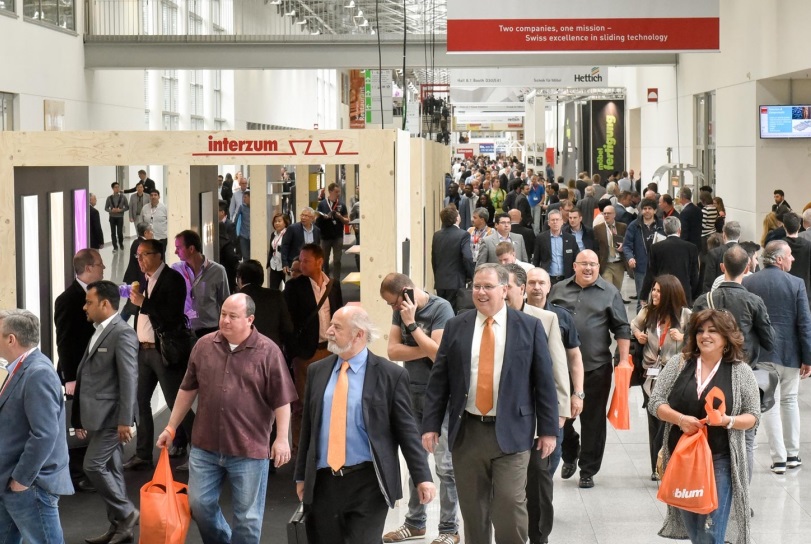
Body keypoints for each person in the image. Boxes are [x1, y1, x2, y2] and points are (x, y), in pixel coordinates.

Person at [422, 263, 559, 544]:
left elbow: (545, 382)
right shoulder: (456, 326)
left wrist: (548, 430)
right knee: (473, 509)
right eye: (476, 286)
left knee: (509, 504)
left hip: (513, 430)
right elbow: (439, 381)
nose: (481, 292)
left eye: (488, 287)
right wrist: (430, 425)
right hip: (468, 432)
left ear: (505, 290)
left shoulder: (528, 327)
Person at [156, 294, 297, 544]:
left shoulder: (268, 351)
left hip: (249, 449)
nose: (226, 320)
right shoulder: (204, 346)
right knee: (199, 505)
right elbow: (187, 389)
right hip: (205, 446)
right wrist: (171, 427)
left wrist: (282, 439)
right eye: (223, 314)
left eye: (233, 316)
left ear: (250, 319)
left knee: (248, 519)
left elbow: (282, 400)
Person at [295, 306, 436, 543]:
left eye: (337, 327)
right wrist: (301, 476)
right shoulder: (317, 371)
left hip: (368, 482)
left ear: (359, 334)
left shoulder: (390, 375)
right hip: (323, 482)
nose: (329, 331)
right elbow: (308, 428)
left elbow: (407, 432)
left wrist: (423, 477)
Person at [649, 309, 760, 544]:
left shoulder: (741, 371)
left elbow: (753, 415)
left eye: (712, 331)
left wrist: (727, 420)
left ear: (727, 337)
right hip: (684, 458)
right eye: (700, 330)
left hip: (721, 458)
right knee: (695, 531)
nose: (705, 336)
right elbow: (655, 402)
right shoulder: (679, 364)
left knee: (710, 531)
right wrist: (680, 419)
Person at [379, 274, 459, 544]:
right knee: (416, 460)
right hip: (411, 392)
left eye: (393, 302)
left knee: (445, 465)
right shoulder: (399, 310)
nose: (393, 308)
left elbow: (438, 355)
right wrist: (426, 347)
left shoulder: (441, 308)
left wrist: (412, 326)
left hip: (440, 395)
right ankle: (415, 523)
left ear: (406, 291)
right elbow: (392, 351)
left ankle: (449, 528)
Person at [549, 249, 631, 489]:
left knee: (593, 421)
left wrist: (623, 360)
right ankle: (570, 452)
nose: (588, 268)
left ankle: (588, 469)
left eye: (593, 264)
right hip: (561, 368)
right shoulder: (558, 289)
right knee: (561, 416)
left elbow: (622, 328)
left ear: (598, 267)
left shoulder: (610, 292)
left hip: (596, 367)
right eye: (583, 264)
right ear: (574, 266)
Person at [503, 264, 571, 544]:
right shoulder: (485, 321)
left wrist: (559, 415)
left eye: (506, 286)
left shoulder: (545, 319)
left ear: (520, 289)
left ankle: (539, 536)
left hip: (534, 418)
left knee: (539, 479)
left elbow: (558, 370)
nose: (501, 292)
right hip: (500, 419)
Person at [73, 280, 139, 544]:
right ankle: (120, 530)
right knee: (112, 470)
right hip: (100, 415)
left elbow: (129, 379)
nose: (84, 307)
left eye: (89, 302)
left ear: (104, 304)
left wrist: (125, 420)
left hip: (113, 417)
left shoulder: (122, 333)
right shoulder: (99, 330)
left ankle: (126, 513)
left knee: (93, 465)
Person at [0, 309, 74, 543]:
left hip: (30, 485)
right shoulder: (24, 367)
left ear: (11, 339)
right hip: (12, 481)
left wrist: (22, 480)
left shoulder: (37, 372)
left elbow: (44, 434)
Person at [123, 238, 195, 471]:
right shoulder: (144, 280)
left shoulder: (173, 279)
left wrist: (144, 302)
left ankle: (200, 453)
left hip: (164, 350)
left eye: (144, 254)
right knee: (140, 401)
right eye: (137, 256)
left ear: (158, 255)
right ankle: (143, 453)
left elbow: (172, 315)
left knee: (177, 402)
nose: (140, 260)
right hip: (142, 350)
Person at [743, 240, 811, 473]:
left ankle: (779, 458)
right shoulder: (796, 283)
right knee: (790, 401)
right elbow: (804, 323)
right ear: (779, 259)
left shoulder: (749, 282)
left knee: (770, 404)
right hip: (790, 353)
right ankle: (793, 454)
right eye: (790, 255)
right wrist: (808, 357)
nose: (793, 258)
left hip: (762, 353)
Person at [284, 243, 344, 455]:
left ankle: (326, 445)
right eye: (300, 260)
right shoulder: (294, 287)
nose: (302, 264)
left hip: (330, 350)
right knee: (301, 402)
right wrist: (294, 351)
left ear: (320, 262)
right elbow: (288, 322)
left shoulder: (333, 285)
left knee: (329, 398)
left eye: (306, 261)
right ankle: (300, 448)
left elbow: (339, 315)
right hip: (304, 354)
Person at [54, 248, 105, 492]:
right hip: (77, 373)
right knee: (77, 423)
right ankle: (76, 474)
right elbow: (64, 342)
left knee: (91, 419)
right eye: (100, 265)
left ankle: (91, 469)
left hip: (95, 371)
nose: (103, 268)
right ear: (88, 268)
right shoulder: (68, 299)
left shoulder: (98, 294)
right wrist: (70, 379)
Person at [630, 274, 691, 480]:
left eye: (659, 291)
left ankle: (667, 461)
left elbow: (697, 339)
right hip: (650, 373)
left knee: (668, 420)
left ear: (670, 294)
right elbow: (634, 324)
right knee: (653, 419)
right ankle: (656, 468)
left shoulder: (685, 315)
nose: (654, 294)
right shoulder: (648, 312)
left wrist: (683, 337)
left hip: (674, 374)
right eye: (654, 290)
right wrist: (638, 335)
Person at [173, 229, 231, 338]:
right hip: (184, 331)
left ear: (191, 249)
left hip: (210, 331)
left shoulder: (218, 271)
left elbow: (225, 302)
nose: (175, 252)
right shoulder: (176, 270)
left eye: (178, 248)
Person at [641, 217, 701, 306]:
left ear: (665, 230)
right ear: (679, 229)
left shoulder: (655, 248)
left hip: (662, 291)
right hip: (683, 292)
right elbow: (694, 275)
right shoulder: (691, 248)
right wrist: (694, 295)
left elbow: (650, 273)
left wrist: (644, 295)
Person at [236, 259, 292, 349]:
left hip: (242, 352)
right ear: (261, 278)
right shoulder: (276, 296)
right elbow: (288, 328)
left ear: (240, 279)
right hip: (272, 350)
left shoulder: (233, 300)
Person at [623, 198, 665, 309]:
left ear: (655, 210)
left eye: (649, 208)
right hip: (641, 267)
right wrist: (630, 258)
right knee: (642, 299)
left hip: (659, 267)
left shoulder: (662, 225)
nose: (647, 211)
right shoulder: (634, 225)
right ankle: (641, 319)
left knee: (660, 298)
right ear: (641, 210)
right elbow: (627, 245)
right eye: (644, 208)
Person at [431, 206, 474, 312]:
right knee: (453, 312)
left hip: (440, 281)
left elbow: (434, 259)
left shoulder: (437, 235)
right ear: (457, 218)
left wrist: (437, 276)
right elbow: (467, 257)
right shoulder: (463, 234)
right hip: (456, 281)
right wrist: (471, 274)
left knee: (442, 310)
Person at [532, 209, 577, 283]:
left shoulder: (570, 238)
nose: (555, 222)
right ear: (548, 223)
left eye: (557, 219)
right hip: (548, 279)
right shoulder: (541, 238)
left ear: (562, 222)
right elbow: (536, 260)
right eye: (552, 220)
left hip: (566, 279)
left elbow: (575, 258)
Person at [316, 182, 349, 280]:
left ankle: (336, 281)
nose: (338, 194)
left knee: (337, 260)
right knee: (324, 260)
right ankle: (326, 279)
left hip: (338, 236)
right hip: (325, 236)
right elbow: (317, 219)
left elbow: (347, 221)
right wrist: (324, 217)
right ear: (330, 191)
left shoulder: (341, 205)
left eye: (339, 192)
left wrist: (340, 217)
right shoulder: (322, 204)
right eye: (336, 192)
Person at [593, 206, 629, 293]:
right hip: (606, 264)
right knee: (608, 290)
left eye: (608, 213)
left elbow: (628, 242)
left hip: (619, 264)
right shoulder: (598, 228)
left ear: (614, 215)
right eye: (604, 213)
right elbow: (596, 247)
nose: (606, 215)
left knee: (617, 291)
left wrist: (623, 246)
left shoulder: (622, 227)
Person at [702, 221, 741, 294]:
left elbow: (709, 282)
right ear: (739, 236)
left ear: (724, 235)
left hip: (718, 295)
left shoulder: (714, 253)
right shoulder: (746, 252)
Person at [281, 207, 321, 276]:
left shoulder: (316, 230)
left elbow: (317, 248)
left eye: (306, 216)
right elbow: (285, 246)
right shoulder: (292, 228)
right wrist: (285, 263)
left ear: (312, 218)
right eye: (302, 215)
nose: (303, 218)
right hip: (295, 264)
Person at [218, 200, 240, 292]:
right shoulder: (214, 223)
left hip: (227, 261)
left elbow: (232, 241)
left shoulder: (230, 225)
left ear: (222, 212)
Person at [267, 211, 290, 289]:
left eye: (279, 221)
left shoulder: (288, 234)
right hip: (274, 265)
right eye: (275, 221)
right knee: (273, 289)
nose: (277, 223)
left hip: (285, 266)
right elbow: (271, 249)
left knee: (288, 289)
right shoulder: (273, 234)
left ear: (285, 223)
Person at [104, 182, 129, 252]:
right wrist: (111, 210)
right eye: (115, 187)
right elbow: (106, 208)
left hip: (120, 217)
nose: (117, 188)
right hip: (112, 217)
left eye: (118, 187)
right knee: (113, 232)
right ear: (113, 188)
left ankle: (121, 243)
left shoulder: (123, 197)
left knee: (119, 232)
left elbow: (127, 207)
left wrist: (120, 210)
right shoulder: (109, 198)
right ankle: (115, 246)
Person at [678, 187, 702, 251]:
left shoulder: (684, 212)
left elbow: (684, 231)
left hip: (688, 246)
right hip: (697, 243)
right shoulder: (698, 209)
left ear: (682, 197)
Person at [235, 190, 252, 259]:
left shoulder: (255, 208)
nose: (244, 199)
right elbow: (236, 219)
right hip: (243, 235)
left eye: (245, 197)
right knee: (245, 255)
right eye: (243, 197)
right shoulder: (242, 207)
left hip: (253, 235)